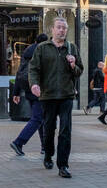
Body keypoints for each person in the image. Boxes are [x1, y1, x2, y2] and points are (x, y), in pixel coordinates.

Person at [27, 17, 81, 177]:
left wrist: (73, 65)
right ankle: (48, 154)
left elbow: (80, 71)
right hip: (48, 95)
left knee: (65, 130)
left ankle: (63, 165)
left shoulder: (72, 48)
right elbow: (34, 69)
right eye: (59, 27)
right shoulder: (42, 48)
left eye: (64, 28)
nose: (62, 30)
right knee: (49, 128)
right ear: (52, 29)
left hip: (66, 95)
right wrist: (34, 84)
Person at [12, 35, 48, 155]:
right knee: (37, 118)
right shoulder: (42, 51)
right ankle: (19, 142)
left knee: (40, 118)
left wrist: (16, 92)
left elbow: (19, 72)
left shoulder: (26, 52)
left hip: (28, 90)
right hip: (39, 89)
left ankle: (44, 146)